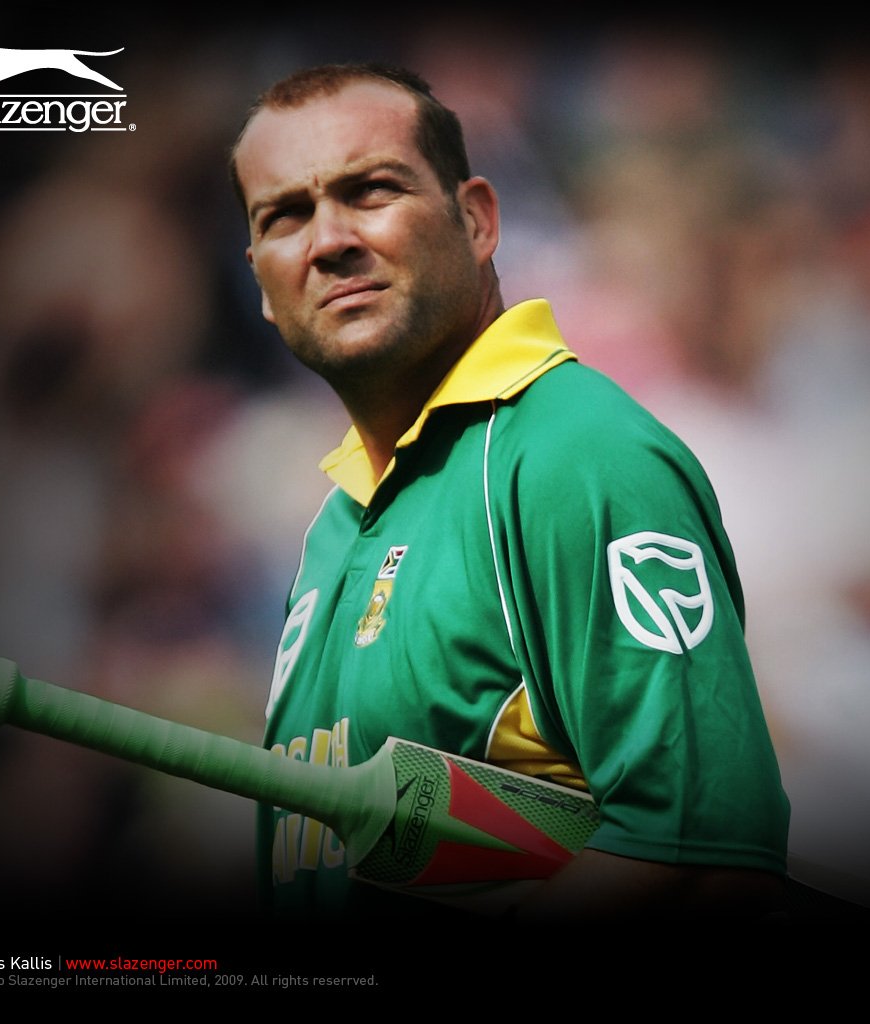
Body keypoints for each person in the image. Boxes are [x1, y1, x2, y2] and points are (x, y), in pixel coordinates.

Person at [229, 62, 790, 922]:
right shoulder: (334, 525)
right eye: (286, 215)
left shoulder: (576, 456)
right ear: (262, 284)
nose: (328, 239)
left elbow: (701, 856)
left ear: (478, 219)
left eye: (371, 191)